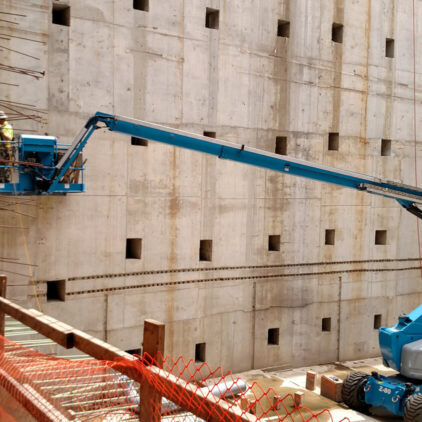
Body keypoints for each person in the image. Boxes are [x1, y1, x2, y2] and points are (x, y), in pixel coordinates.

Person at [0, 111, 13, 182]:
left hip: (4, 149)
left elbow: (8, 139)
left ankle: (3, 179)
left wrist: (1, 132)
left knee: (3, 164)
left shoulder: (7, 127)